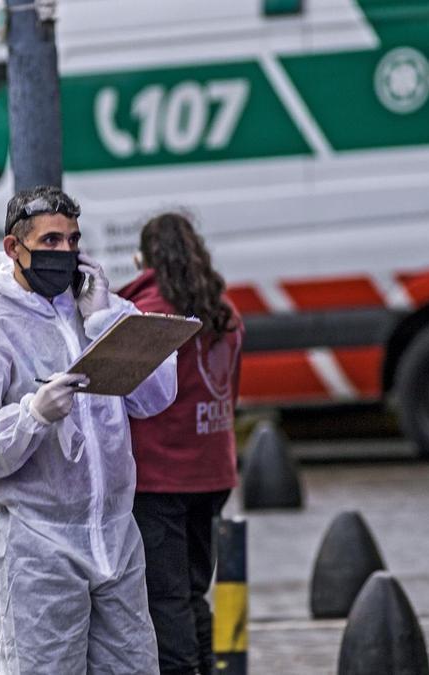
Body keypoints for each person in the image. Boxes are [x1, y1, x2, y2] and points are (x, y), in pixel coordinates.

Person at [0, 185, 178, 674]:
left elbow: (155, 398)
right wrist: (31, 415)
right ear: (14, 248)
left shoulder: (102, 312)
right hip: (34, 543)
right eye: (50, 242)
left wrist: (106, 320)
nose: (64, 253)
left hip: (114, 535)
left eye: (72, 241)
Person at [118, 212, 244, 675]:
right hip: (213, 470)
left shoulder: (147, 313)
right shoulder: (225, 312)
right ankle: (208, 667)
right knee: (192, 593)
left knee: (165, 598)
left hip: (160, 477)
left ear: (145, 258)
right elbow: (232, 390)